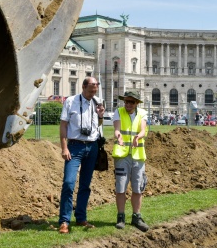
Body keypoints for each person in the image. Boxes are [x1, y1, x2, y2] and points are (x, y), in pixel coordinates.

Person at [58, 76, 105, 233]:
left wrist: (100, 116)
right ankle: (64, 221)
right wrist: (64, 148)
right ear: (84, 87)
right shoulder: (71, 101)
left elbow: (98, 126)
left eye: (95, 89)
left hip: (91, 147)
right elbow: (64, 125)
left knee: (85, 185)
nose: (93, 92)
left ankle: (81, 218)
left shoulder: (97, 102)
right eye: (91, 89)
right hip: (75, 147)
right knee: (69, 183)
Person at [112, 90, 150, 232]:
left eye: (131, 102)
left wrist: (138, 137)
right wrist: (118, 136)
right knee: (120, 188)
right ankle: (120, 217)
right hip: (122, 156)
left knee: (138, 188)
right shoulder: (119, 112)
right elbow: (117, 129)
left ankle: (136, 217)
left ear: (136, 103)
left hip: (138, 156)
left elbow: (142, 130)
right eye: (126, 101)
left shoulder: (142, 114)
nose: (128, 104)